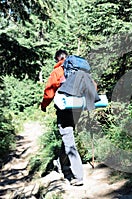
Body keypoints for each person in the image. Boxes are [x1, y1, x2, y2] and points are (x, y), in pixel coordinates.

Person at [40, 50, 84, 186]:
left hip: (64, 110)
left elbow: (49, 91)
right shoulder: (79, 69)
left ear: (57, 59)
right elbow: (93, 85)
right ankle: (61, 164)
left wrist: (44, 105)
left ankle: (78, 176)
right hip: (78, 108)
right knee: (67, 136)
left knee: (69, 140)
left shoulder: (57, 71)